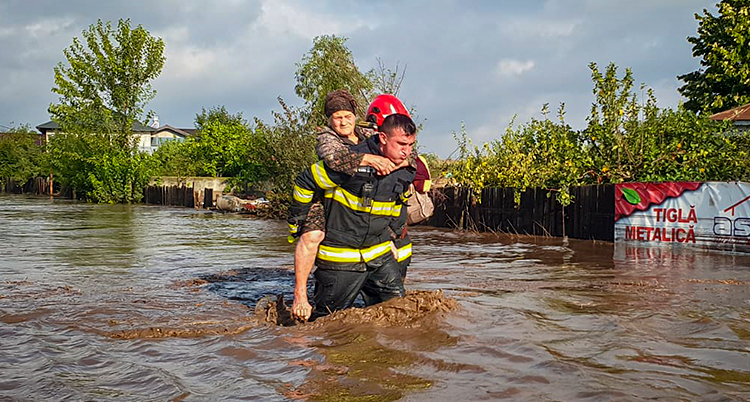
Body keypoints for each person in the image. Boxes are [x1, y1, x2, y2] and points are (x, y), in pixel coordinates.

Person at [291, 91, 413, 317]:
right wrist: (297, 220)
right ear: (329, 119)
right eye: (337, 117)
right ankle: (300, 296)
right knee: (312, 236)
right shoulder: (327, 138)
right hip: (322, 197)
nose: (343, 122)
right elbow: (333, 161)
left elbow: (399, 147)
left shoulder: (369, 134)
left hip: (374, 246)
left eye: (347, 116)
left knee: (398, 312)